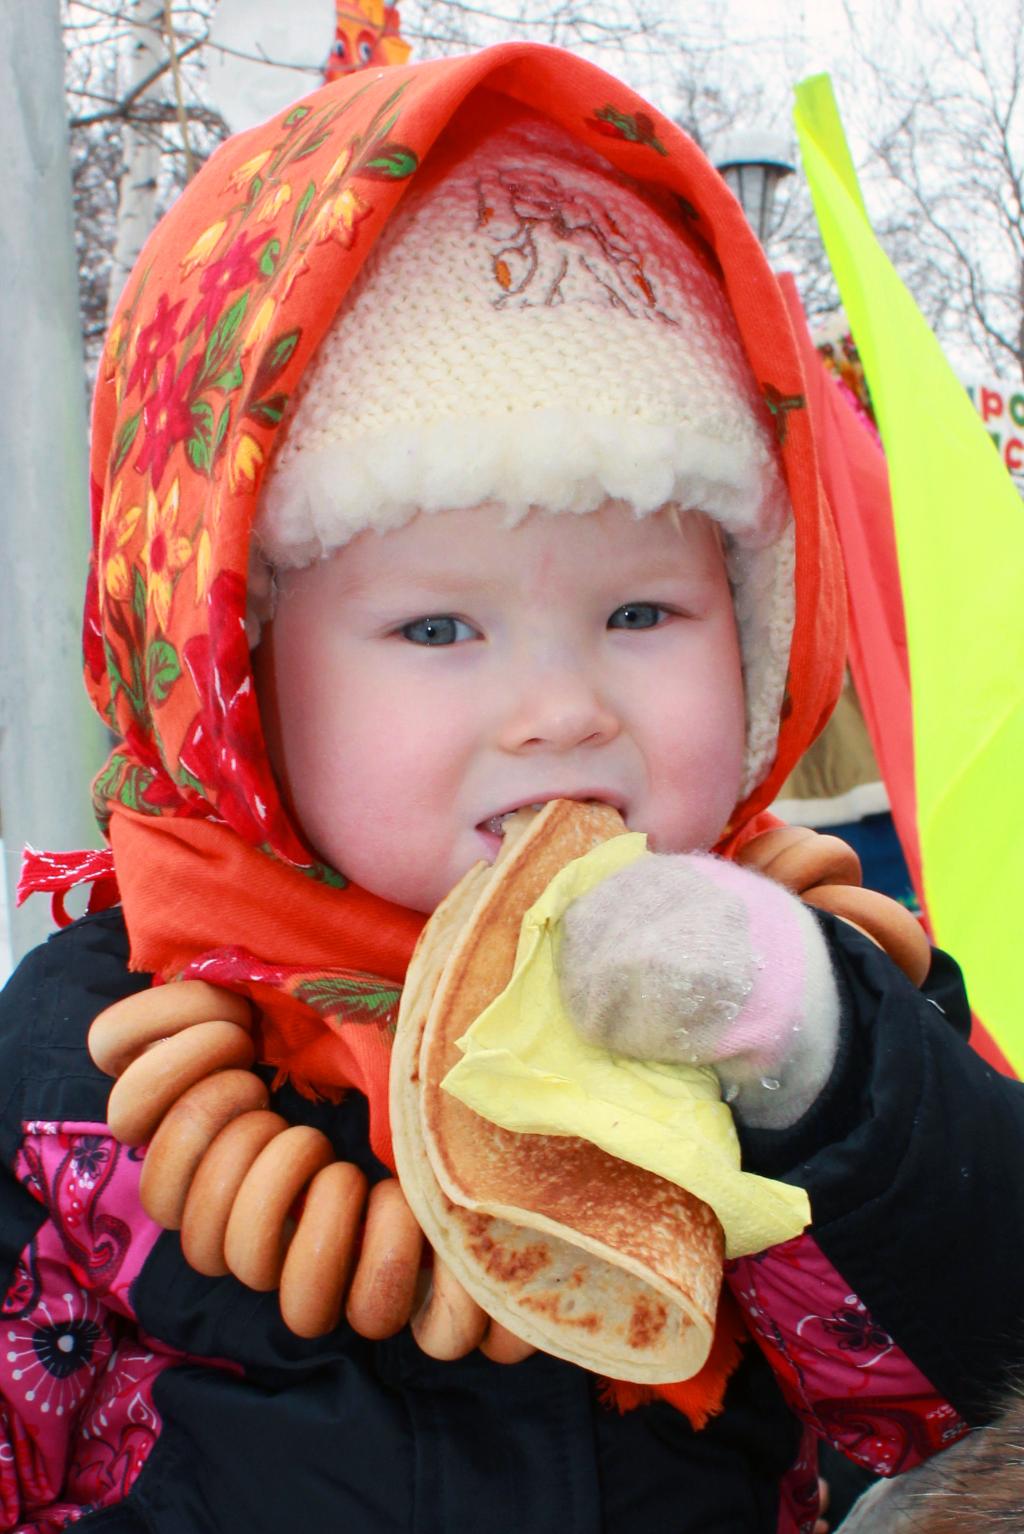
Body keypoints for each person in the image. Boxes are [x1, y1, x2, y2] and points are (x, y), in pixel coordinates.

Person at [1, 42, 1021, 1534]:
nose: (561, 709)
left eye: (642, 615)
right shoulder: (81, 1060)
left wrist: (819, 1054)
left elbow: (964, 1363)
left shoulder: (794, 992)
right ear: (238, 664)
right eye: (436, 629)